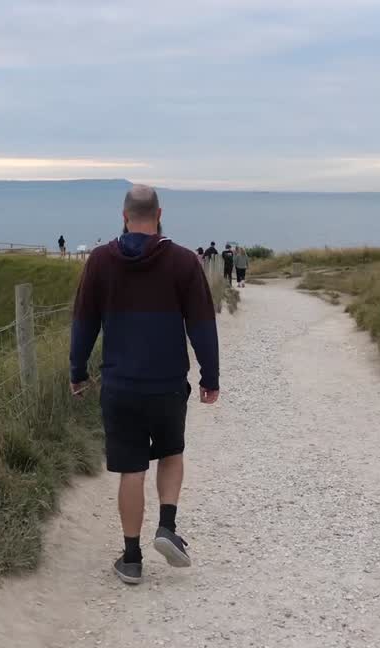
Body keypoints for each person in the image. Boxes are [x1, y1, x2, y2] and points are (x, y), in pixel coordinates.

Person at [70, 184, 219, 585]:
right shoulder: (184, 262)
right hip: (168, 383)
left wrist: (77, 370)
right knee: (171, 452)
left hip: (120, 386)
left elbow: (84, 321)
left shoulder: (100, 261)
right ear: (159, 214)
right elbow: (202, 325)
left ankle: (132, 559)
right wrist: (210, 377)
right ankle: (167, 527)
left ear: (123, 216)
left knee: (131, 470)